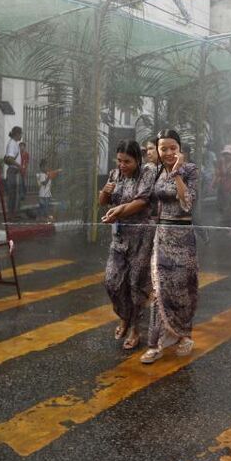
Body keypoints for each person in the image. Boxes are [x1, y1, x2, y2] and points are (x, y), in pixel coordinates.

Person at [141, 129, 200, 364]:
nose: (167, 152)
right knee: (159, 289)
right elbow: (147, 200)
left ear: (180, 149)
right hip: (162, 236)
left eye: (172, 148)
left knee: (183, 288)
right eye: (163, 148)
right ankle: (154, 344)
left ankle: (184, 335)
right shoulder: (155, 171)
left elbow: (187, 202)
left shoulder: (190, 170)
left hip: (184, 238)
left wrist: (176, 173)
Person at [100, 140, 155, 350]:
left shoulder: (146, 174)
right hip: (119, 238)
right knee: (112, 281)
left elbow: (142, 201)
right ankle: (124, 316)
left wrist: (118, 211)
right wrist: (105, 191)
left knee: (136, 285)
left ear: (138, 160)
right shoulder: (115, 174)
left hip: (141, 238)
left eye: (127, 161)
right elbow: (103, 201)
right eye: (119, 160)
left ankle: (135, 329)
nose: (122, 165)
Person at [3, 126, 23, 217]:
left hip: (14, 171)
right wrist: (19, 166)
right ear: (17, 134)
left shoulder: (14, 143)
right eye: (21, 134)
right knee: (13, 194)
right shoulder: (12, 144)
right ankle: (11, 214)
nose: (21, 136)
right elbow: (10, 159)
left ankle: (14, 213)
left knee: (15, 193)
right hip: (13, 171)